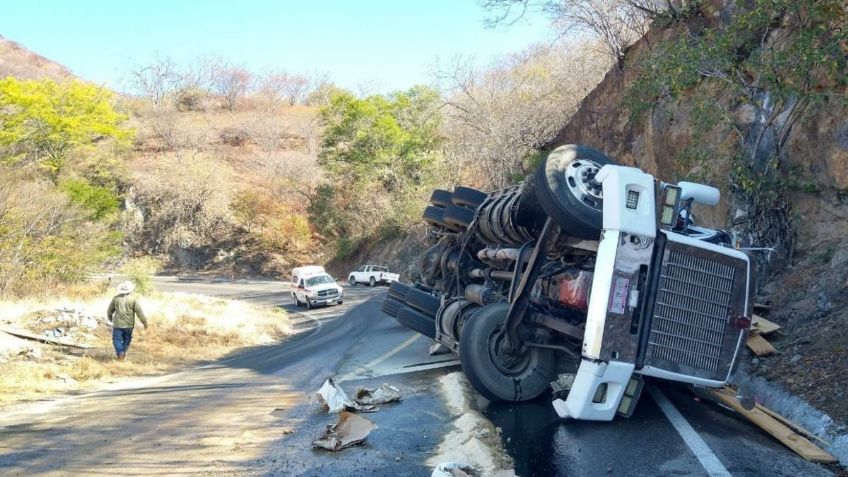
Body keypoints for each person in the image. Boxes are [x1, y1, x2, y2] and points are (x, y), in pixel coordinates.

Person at [106, 281, 148, 360]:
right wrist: (144, 322)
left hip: (118, 324)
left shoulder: (116, 298)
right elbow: (139, 312)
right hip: (129, 324)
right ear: (130, 290)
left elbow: (109, 311)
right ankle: (123, 353)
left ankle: (120, 352)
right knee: (127, 339)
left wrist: (110, 318)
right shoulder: (133, 299)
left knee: (116, 339)